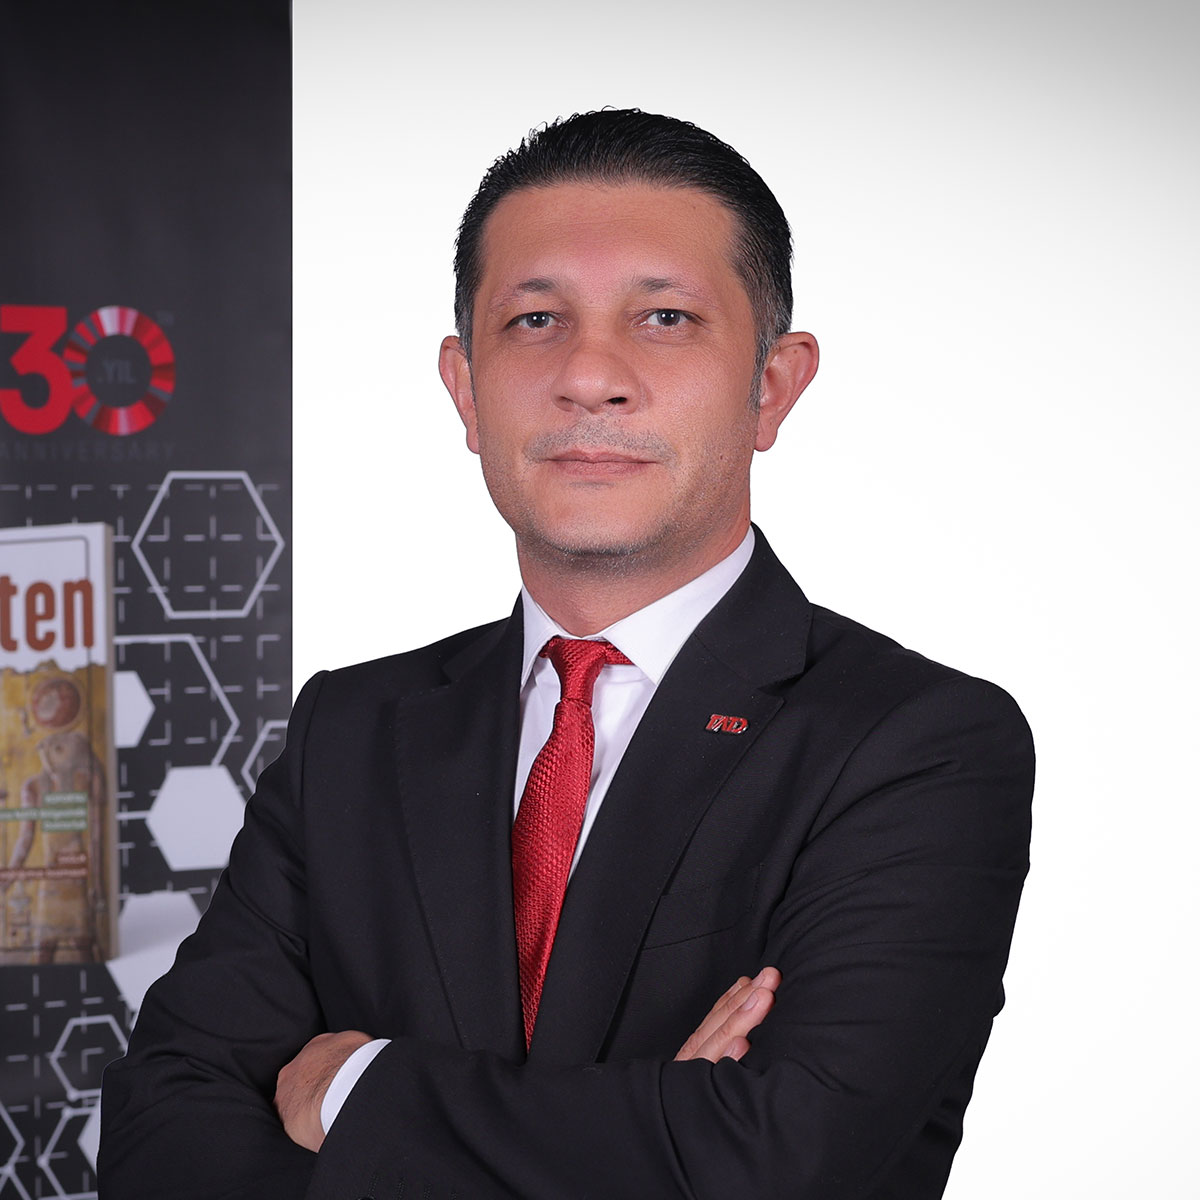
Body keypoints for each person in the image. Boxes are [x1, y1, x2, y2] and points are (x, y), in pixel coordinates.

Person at [98, 109, 1034, 1199]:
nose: (591, 375)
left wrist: (358, 1089)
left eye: (666, 317)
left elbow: (782, 1161)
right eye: (536, 319)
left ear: (772, 386)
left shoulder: (917, 743)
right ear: (465, 388)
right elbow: (160, 1139)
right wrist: (647, 1130)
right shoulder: (350, 731)